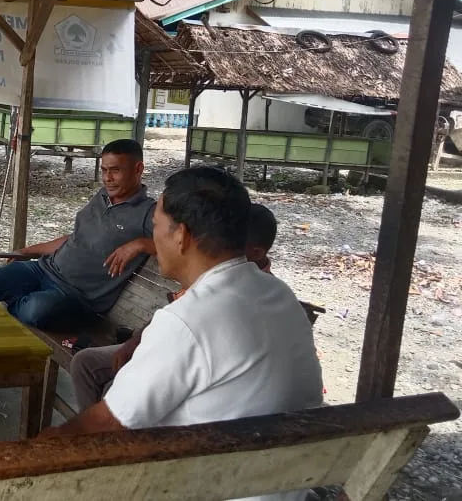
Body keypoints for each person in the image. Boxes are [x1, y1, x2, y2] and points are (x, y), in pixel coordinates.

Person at [43, 167, 323, 501]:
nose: (154, 236)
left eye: (156, 225)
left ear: (182, 235)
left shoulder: (189, 319)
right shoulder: (278, 294)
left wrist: (34, 450)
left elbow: (106, 424)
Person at [70, 201, 281, 410]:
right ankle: (93, 430)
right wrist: (133, 343)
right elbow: (173, 311)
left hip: (192, 370)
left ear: (257, 253)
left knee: (116, 389)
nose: (221, 249)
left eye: (233, 245)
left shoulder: (262, 298)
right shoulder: (218, 272)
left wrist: (145, 361)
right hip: (161, 347)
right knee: (84, 363)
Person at [0, 139, 155, 331]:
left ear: (138, 169)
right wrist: (26, 251)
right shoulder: (102, 196)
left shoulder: (148, 213)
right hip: (42, 270)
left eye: (115, 170)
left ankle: (10, 302)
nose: (107, 178)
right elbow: (74, 238)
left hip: (74, 296)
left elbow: (173, 245)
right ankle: (14, 300)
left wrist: (141, 244)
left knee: (38, 311)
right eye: (104, 170)